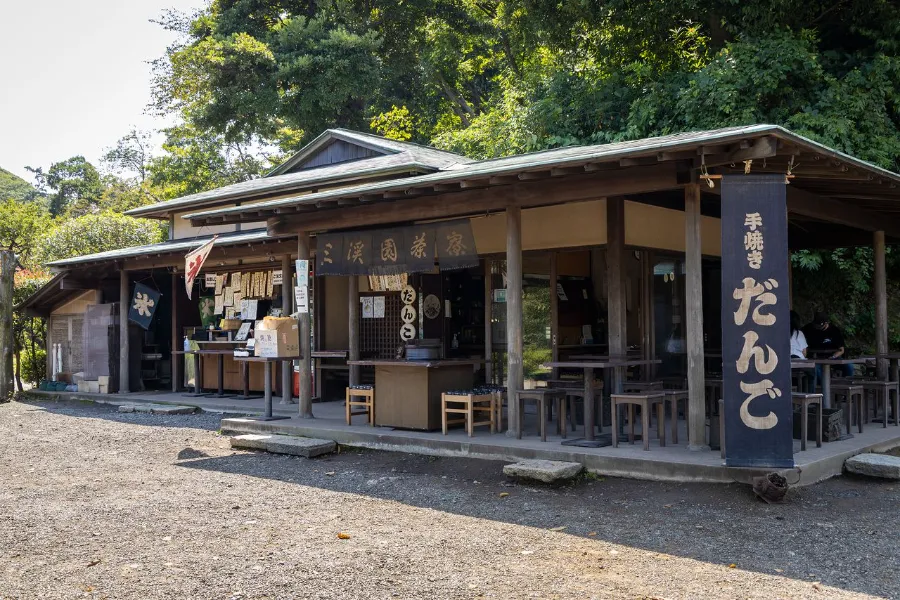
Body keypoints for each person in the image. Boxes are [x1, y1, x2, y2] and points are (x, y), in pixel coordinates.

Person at [803, 311, 853, 391]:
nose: (817, 327)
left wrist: (832, 357)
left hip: (833, 357)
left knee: (849, 366)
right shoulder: (808, 328)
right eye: (816, 325)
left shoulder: (834, 330)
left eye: (819, 325)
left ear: (826, 323)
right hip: (815, 358)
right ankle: (822, 391)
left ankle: (844, 391)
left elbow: (841, 350)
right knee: (815, 370)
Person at [790, 311, 814, 392]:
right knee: (812, 373)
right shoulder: (798, 333)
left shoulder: (780, 333)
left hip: (786, 363)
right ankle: (810, 394)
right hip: (798, 361)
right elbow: (804, 352)